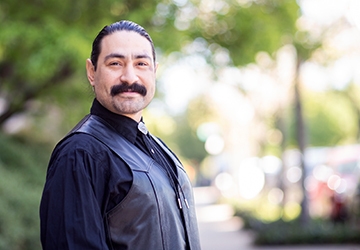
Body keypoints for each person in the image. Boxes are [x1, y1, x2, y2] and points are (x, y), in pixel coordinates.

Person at [40, 20, 201, 250]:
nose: (130, 77)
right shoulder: (80, 154)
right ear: (92, 72)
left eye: (141, 63)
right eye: (115, 63)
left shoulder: (156, 147)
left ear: (154, 71)